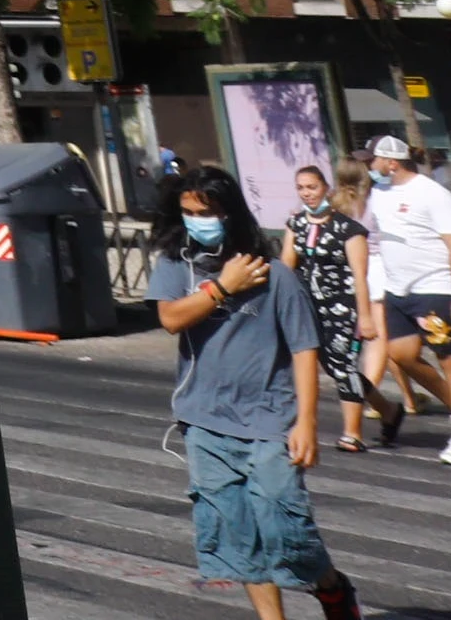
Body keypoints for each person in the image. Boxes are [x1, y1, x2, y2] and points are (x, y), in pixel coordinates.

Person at [147, 166, 362, 620]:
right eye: (187, 212)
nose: (196, 220)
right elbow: (170, 319)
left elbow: (304, 348)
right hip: (204, 420)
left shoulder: (276, 275)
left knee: (285, 527)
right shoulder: (174, 265)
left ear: (229, 214)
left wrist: (306, 422)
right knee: (236, 533)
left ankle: (330, 586)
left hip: (270, 421)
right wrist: (224, 286)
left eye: (206, 212)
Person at [360, 135, 451, 468]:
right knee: (401, 355)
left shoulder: (434, 195)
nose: (368, 166)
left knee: (450, 360)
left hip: (435, 290)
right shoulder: (380, 192)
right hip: (398, 292)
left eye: (371, 160)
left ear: (391, 162)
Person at [280, 162, 379, 452]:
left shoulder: (348, 229)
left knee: (344, 364)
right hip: (308, 306)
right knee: (331, 365)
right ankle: (387, 410)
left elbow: (360, 276)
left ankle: (352, 433)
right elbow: (287, 265)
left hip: (342, 307)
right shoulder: (296, 224)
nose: (306, 193)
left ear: (326, 188)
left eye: (312, 187)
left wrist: (365, 316)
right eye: (301, 188)